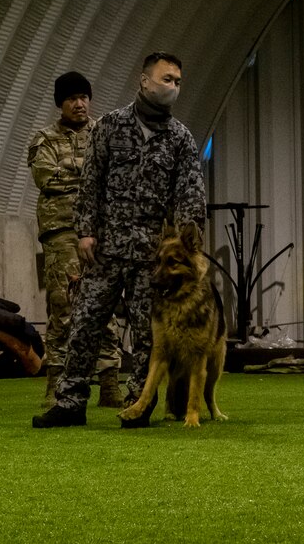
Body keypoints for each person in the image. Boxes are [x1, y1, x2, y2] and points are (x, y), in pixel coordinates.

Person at [32, 52, 207, 428]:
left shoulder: (180, 139)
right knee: (84, 324)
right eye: (166, 79)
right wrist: (85, 232)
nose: (173, 87)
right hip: (105, 250)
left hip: (152, 257)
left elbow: (190, 198)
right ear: (144, 81)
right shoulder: (110, 127)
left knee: (147, 335)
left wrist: (189, 248)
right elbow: (90, 184)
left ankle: (138, 405)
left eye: (177, 81)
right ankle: (70, 402)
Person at [26, 70, 124, 408]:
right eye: (72, 99)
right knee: (63, 308)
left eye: (83, 97)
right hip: (62, 234)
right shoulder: (45, 139)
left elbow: (117, 178)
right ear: (61, 104)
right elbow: (46, 178)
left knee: (104, 307)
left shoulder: (104, 133)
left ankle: (110, 383)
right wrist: (90, 175)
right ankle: (56, 384)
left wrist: (78, 173)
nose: (79, 104)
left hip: (100, 233)